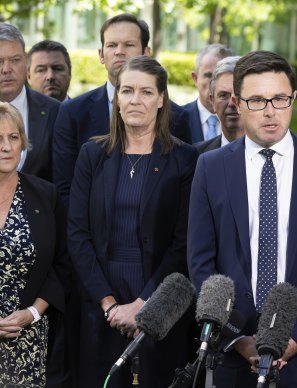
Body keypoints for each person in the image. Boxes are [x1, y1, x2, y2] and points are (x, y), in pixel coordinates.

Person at [188, 50, 297, 388]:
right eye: (257, 101)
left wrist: (296, 337)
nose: (269, 112)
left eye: (280, 99)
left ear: (293, 98)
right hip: (232, 355)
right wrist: (236, 338)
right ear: (237, 102)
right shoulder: (210, 167)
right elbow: (200, 264)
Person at [67, 55, 198, 388]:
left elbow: (184, 242)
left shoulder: (184, 159)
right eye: (127, 91)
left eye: (145, 92)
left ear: (161, 100)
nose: (135, 100)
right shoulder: (92, 155)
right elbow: (78, 235)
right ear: (117, 99)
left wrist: (144, 304)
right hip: (101, 301)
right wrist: (109, 304)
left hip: (158, 301)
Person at [52, 13, 192, 206]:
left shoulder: (176, 116)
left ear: (146, 51)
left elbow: (180, 193)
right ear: (101, 54)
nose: (119, 51)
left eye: (128, 45)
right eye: (111, 45)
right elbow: (64, 189)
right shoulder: (72, 112)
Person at [0, 102, 69, 387]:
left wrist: (33, 313)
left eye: (13, 137)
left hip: (27, 341)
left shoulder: (45, 195)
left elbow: (61, 264)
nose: (6, 147)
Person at [0, 23, 60, 182]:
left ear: (26, 61)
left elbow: (62, 180)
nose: (6, 69)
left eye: (15, 60)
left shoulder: (55, 111)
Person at [183, 43, 235, 143]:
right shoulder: (175, 120)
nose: (214, 84)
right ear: (195, 78)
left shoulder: (245, 122)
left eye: (221, 76)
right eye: (208, 75)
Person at [195, 55, 243, 154]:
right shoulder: (195, 156)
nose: (231, 103)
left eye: (238, 95)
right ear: (213, 101)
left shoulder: (271, 154)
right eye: (224, 95)